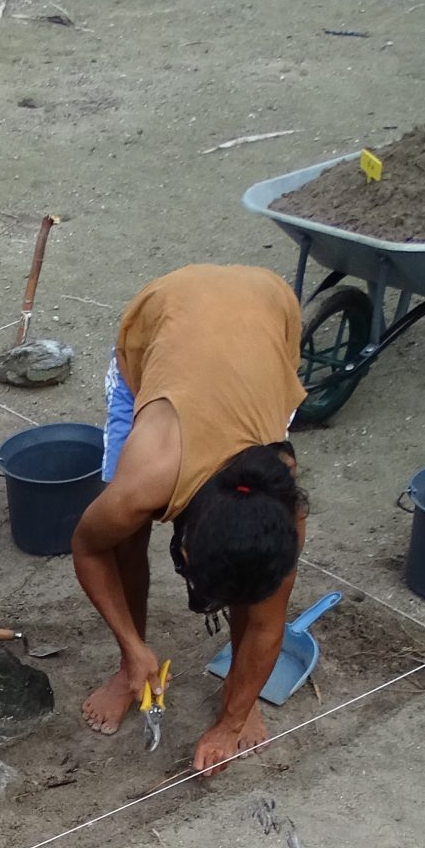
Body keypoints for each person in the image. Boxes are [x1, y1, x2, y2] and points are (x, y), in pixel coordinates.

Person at [73, 265, 307, 775]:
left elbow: (269, 622)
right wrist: (133, 645)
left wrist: (232, 721)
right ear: (182, 547)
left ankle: (239, 694)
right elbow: (88, 547)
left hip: (268, 310)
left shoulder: (282, 503)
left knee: (253, 576)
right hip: (163, 318)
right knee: (123, 538)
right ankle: (128, 670)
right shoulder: (146, 478)